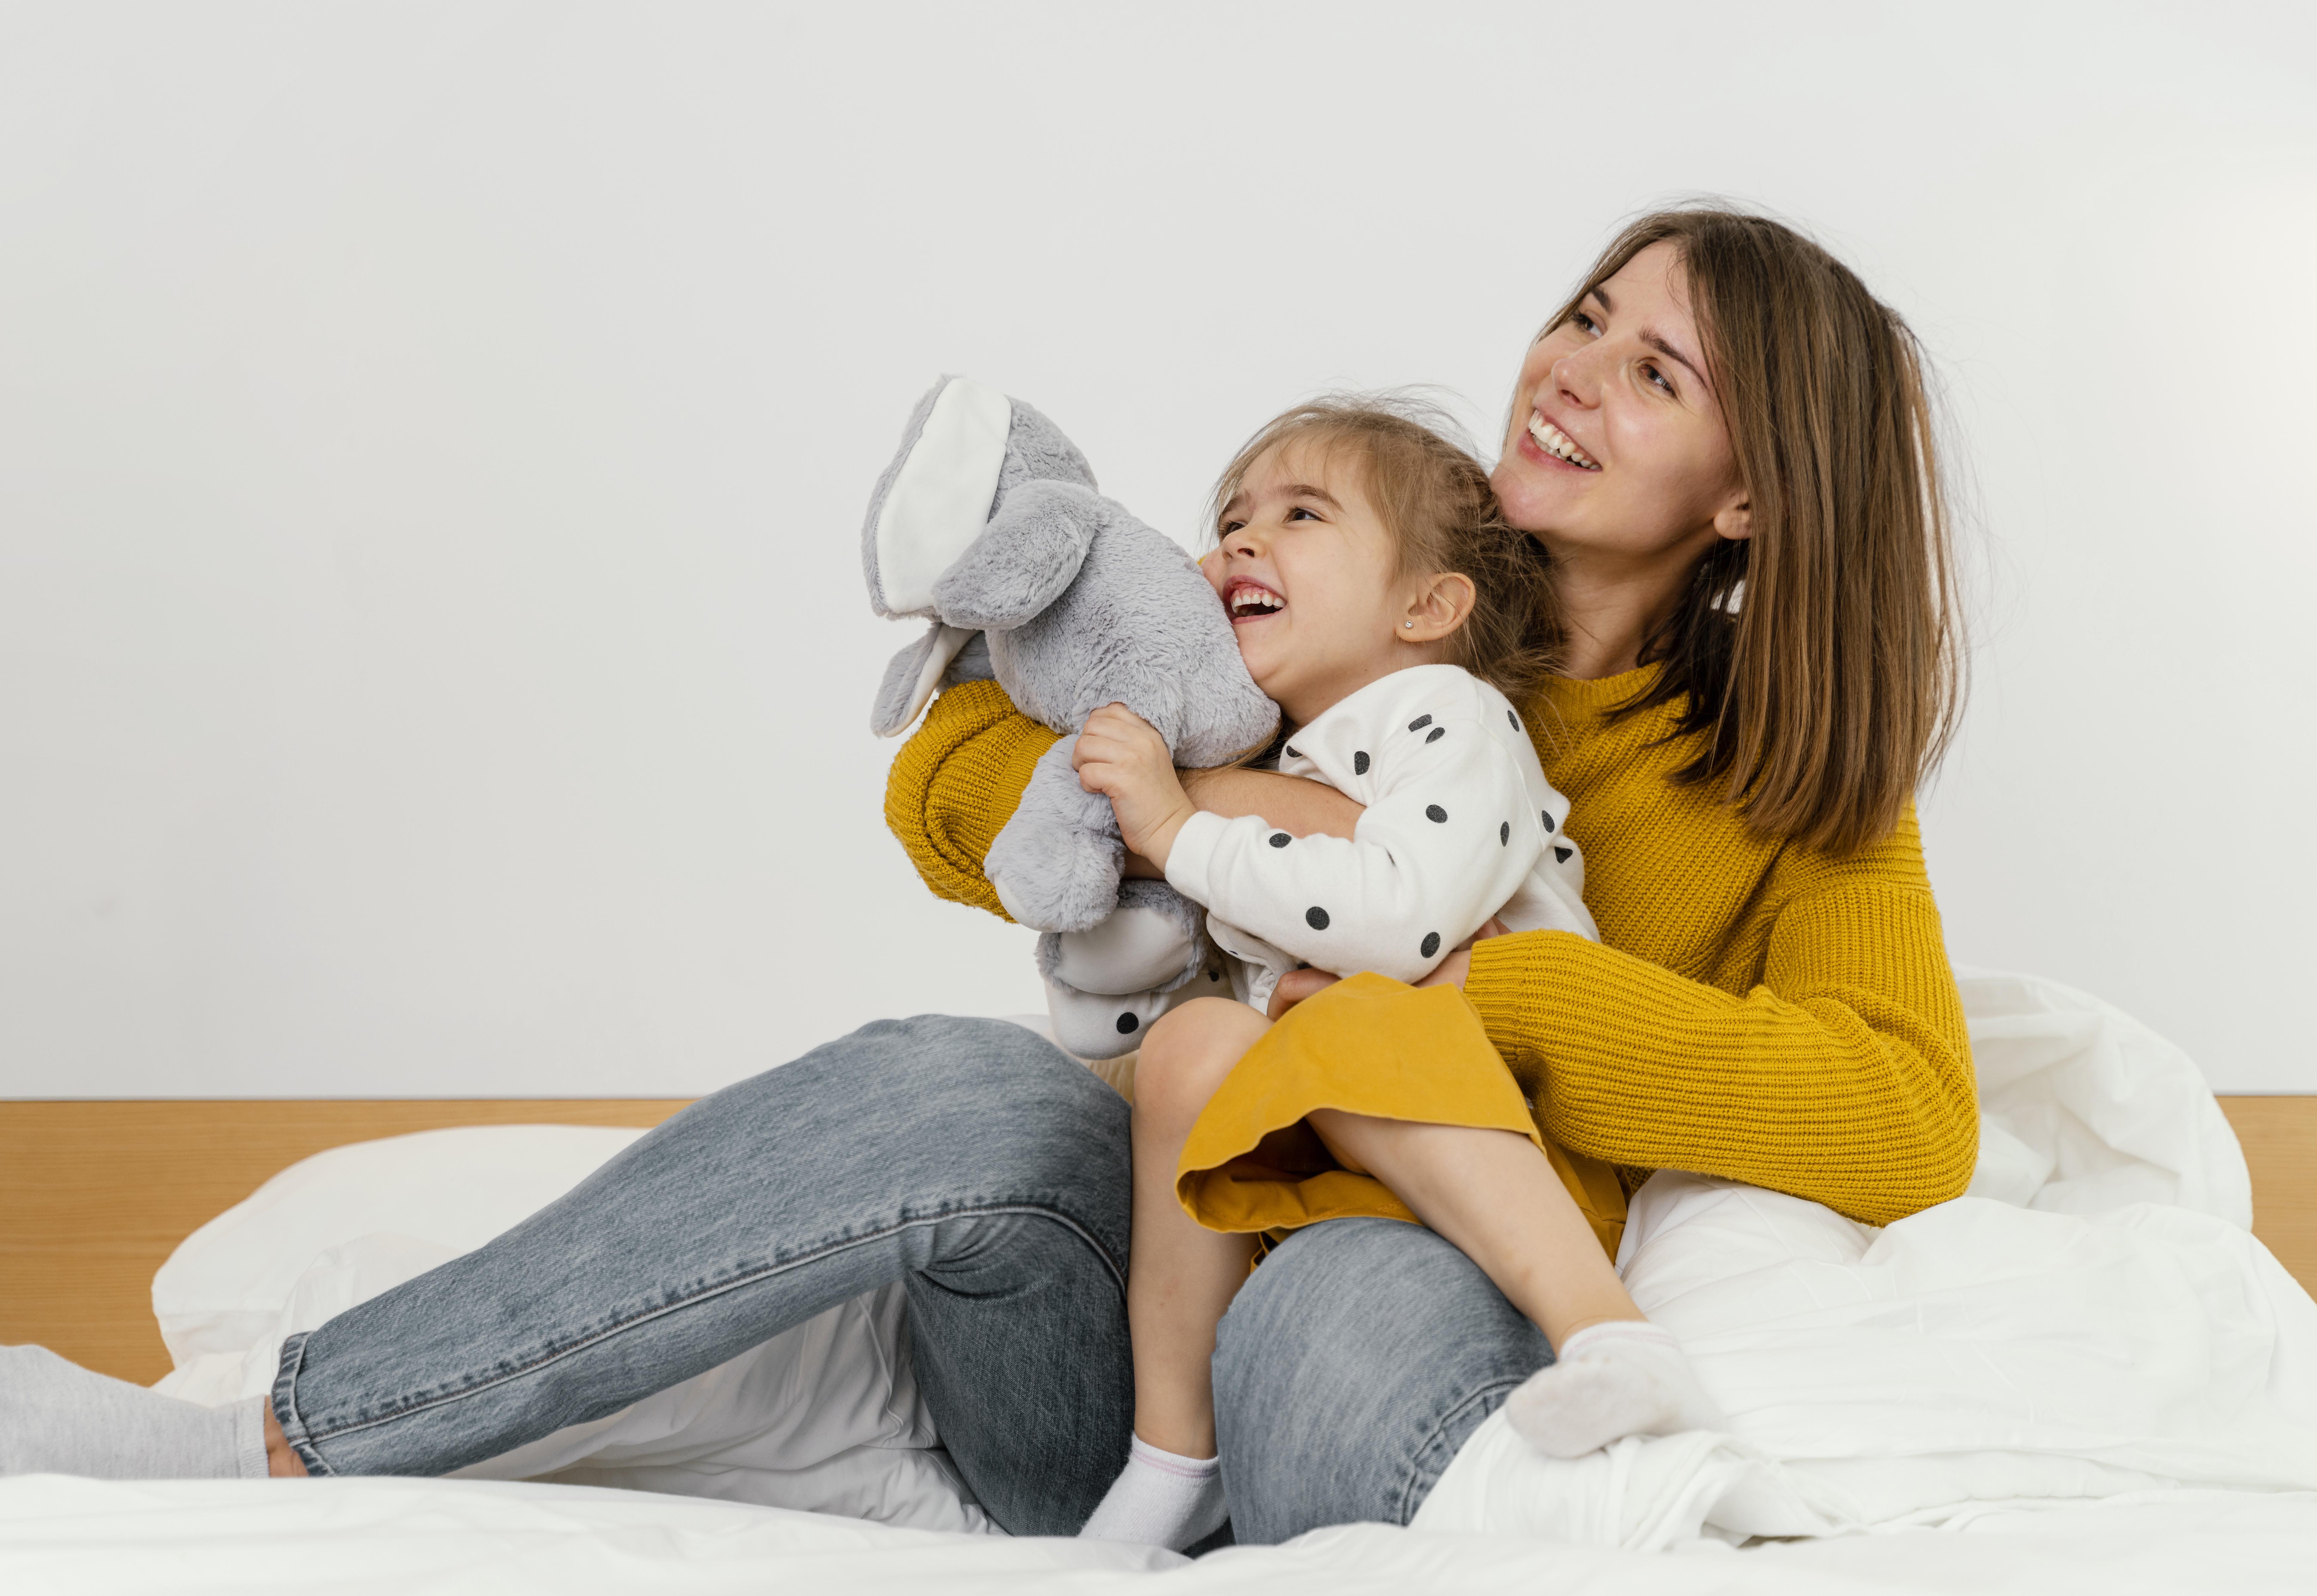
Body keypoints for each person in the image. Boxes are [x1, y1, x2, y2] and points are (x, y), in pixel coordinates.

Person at [0, 206, 1974, 1547]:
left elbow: (1905, 1112)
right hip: (1108, 1309)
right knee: (947, 1080)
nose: (1572, 372)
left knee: (1355, 1297)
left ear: (1750, 492)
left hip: (1395, 1275)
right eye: (1584, 318)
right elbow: (969, 747)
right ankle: (275, 1438)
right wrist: (1168, 792)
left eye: (1658, 374)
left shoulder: (1791, 782)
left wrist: (1479, 997)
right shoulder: (1368, 565)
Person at [1068, 397, 1722, 1553]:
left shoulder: (1447, 714)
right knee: (1187, 1047)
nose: (1240, 542)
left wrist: (1176, 830)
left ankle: (1611, 1334)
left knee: (1362, 1013)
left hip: (1511, 1153)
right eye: (1230, 520)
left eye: (1300, 514)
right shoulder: (1270, 754)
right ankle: (1174, 1458)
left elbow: (1402, 923)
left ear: (1427, 605)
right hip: (1342, 1153)